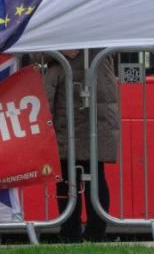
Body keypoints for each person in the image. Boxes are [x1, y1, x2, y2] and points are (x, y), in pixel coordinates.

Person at [44, 49, 120, 242]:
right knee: (87, 171)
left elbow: (35, 54)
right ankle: (92, 232)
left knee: (75, 172)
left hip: (74, 94)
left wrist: (57, 50)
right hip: (85, 91)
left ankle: (74, 233)